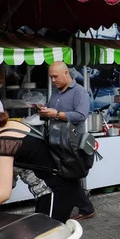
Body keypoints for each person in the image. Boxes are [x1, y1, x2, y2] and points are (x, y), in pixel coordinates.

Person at [38, 61, 95, 220]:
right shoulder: (55, 93)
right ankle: (84, 207)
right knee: (64, 174)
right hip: (57, 140)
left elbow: (81, 115)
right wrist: (44, 111)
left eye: (55, 76)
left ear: (66, 74)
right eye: (51, 77)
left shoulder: (79, 92)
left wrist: (56, 114)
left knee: (71, 174)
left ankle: (85, 207)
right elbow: (52, 112)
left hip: (73, 142)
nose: (53, 80)